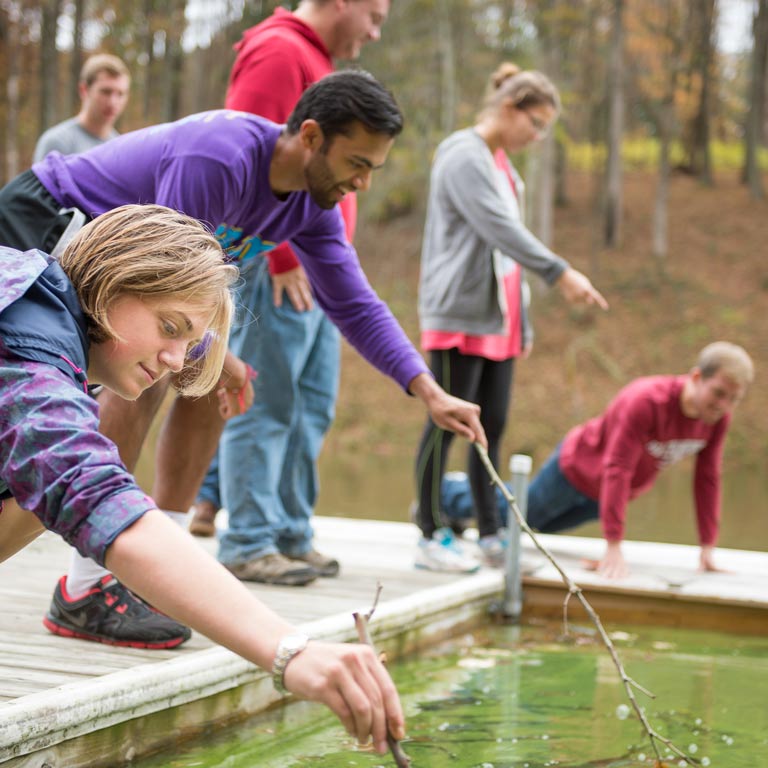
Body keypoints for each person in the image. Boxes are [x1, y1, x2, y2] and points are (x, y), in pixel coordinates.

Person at [0, 71, 486, 644]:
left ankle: (152, 568)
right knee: (154, 365)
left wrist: (426, 389)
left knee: (203, 371)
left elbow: (355, 301)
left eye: (372, 169)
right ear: (310, 137)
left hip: (131, 281)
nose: (363, 182)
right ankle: (88, 589)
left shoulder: (309, 207)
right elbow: (160, 272)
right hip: (47, 223)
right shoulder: (219, 157)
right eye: (357, 162)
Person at [0, 205, 405, 753]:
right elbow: (102, 506)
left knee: (41, 484)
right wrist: (291, 651)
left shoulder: (31, 305)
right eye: (170, 328)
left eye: (189, 344)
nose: (173, 359)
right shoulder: (30, 356)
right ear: (112, 282)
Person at [190, 0, 389, 587]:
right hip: (284, 268)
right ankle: (249, 538)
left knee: (312, 405)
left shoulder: (318, 59)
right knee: (269, 400)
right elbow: (249, 165)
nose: (375, 32)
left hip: (319, 271)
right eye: (373, 16)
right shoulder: (280, 50)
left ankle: (289, 531)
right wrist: (280, 257)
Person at [414, 62, 608, 574]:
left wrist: (523, 321)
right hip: (460, 310)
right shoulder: (463, 154)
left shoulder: (501, 163)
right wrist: (559, 272)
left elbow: (503, 250)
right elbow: (500, 229)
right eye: (535, 123)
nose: (539, 136)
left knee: (491, 427)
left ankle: (492, 534)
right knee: (447, 423)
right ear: (508, 107)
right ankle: (430, 532)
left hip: (497, 317)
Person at [33, 50, 167, 643]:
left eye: (121, 92)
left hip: (117, 292)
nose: (112, 102)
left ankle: (97, 578)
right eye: (105, 91)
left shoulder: (122, 138)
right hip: (75, 279)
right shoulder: (59, 141)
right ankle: (85, 585)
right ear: (86, 89)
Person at [519, 341, 753, 579]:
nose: (723, 406)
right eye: (719, 393)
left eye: (734, 399)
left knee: (542, 527)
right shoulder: (647, 400)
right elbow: (618, 467)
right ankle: (481, 502)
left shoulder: (716, 420)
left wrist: (707, 547)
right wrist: (613, 546)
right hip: (575, 470)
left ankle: (485, 506)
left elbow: (708, 478)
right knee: (518, 516)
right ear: (696, 377)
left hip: (605, 495)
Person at [33, 54, 130, 162]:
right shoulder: (57, 143)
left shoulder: (120, 147)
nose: (113, 102)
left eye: (120, 94)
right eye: (105, 92)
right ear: (84, 90)